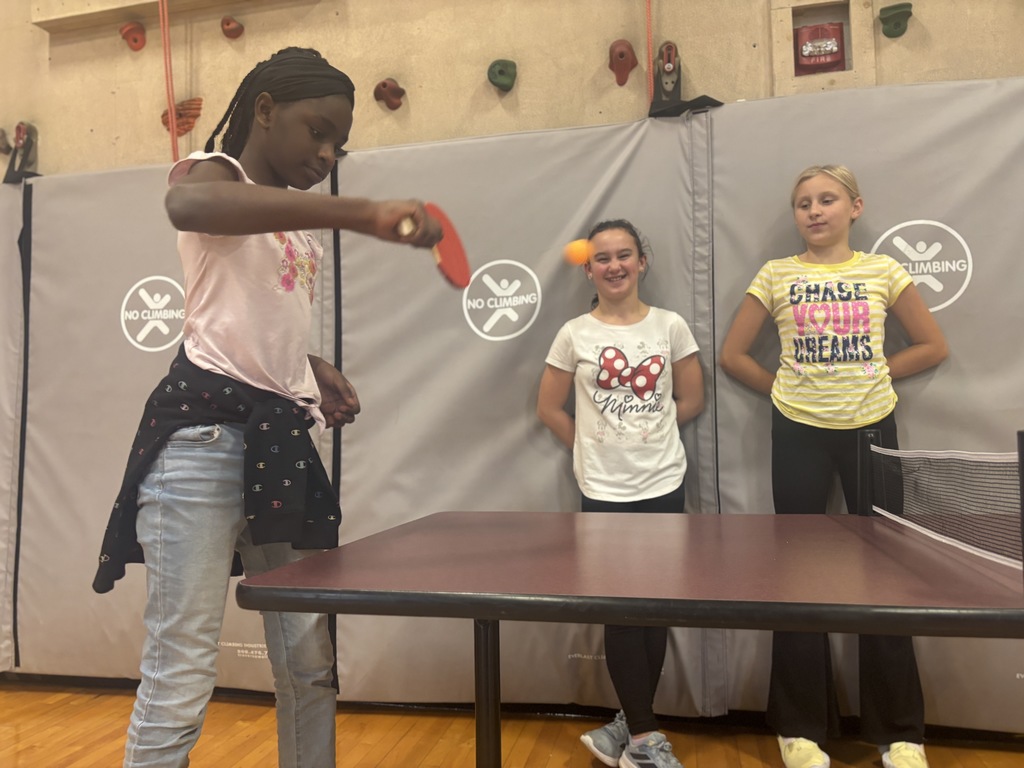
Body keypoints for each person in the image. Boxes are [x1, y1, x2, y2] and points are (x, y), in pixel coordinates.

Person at [91, 47, 442, 768]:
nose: (326, 152)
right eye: (317, 131)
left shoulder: (295, 223)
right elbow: (185, 205)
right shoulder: (214, 174)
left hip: (279, 445)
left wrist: (309, 369)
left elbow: (242, 316)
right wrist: (364, 213)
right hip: (198, 448)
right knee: (181, 673)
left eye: (339, 145)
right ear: (264, 109)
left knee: (310, 664)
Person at [719, 165, 948, 768]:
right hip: (797, 431)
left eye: (827, 200)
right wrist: (785, 386)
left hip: (872, 427)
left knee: (886, 575)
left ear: (855, 207)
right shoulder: (776, 275)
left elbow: (932, 345)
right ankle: (799, 727)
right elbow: (732, 355)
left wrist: (874, 371)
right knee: (799, 574)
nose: (814, 211)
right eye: (802, 203)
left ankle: (901, 732)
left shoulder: (882, 270)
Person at [537, 220, 705, 768]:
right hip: (604, 491)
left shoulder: (670, 326)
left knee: (653, 608)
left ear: (642, 261)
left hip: (663, 483)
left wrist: (649, 432)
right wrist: (591, 448)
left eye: (624, 255)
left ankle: (630, 727)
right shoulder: (574, 334)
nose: (614, 266)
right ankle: (644, 740)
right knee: (621, 609)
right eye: (603, 258)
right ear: (589, 269)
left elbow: (693, 399)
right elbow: (548, 409)